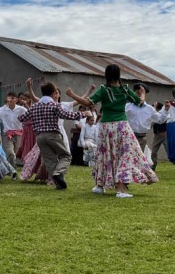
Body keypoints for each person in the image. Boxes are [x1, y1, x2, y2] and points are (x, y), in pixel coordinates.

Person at [67, 64, 158, 197]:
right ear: (118, 74)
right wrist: (143, 93)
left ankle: (100, 185)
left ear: (107, 75)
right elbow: (139, 102)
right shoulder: (125, 89)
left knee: (105, 154)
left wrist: (72, 95)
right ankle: (120, 189)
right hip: (122, 126)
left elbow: (87, 102)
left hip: (106, 127)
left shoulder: (104, 90)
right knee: (124, 154)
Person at [20, 82, 86, 190]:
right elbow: (66, 115)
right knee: (66, 156)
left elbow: (22, 118)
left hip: (40, 137)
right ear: (52, 93)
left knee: (50, 161)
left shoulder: (35, 106)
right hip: (52, 135)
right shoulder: (55, 105)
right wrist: (83, 114)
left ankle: (58, 184)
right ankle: (58, 173)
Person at [125, 83, 166, 154]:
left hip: (142, 138)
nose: (139, 94)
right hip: (129, 137)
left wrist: (166, 111)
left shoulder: (149, 109)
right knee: (128, 157)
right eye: (137, 92)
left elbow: (160, 119)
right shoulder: (127, 106)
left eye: (142, 92)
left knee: (140, 158)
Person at [0, 91, 27, 168]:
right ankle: (12, 169)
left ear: (16, 100)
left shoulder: (21, 109)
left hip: (18, 134)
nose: (10, 100)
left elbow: (29, 114)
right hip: (7, 134)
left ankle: (11, 168)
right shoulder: (2, 109)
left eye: (12, 98)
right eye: (9, 98)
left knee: (15, 153)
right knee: (10, 152)